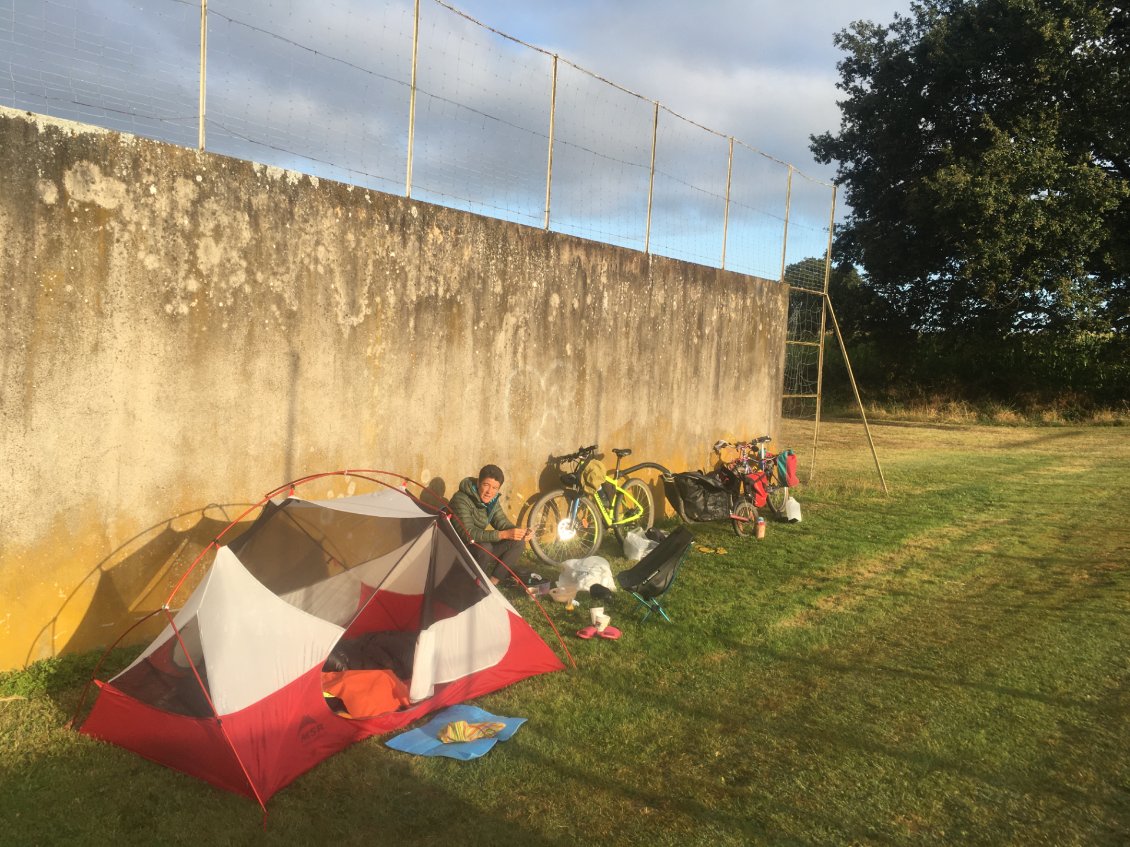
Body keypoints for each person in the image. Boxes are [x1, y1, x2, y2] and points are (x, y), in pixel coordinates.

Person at [449, 464, 532, 585]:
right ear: (478, 483)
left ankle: (492, 583)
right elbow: (468, 534)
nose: (489, 492)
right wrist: (503, 535)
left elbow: (502, 523)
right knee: (485, 547)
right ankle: (473, 585)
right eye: (486, 485)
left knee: (518, 541)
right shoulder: (460, 499)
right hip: (458, 552)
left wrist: (521, 532)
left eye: (495, 488)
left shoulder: (492, 501)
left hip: (479, 549)